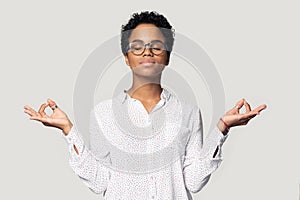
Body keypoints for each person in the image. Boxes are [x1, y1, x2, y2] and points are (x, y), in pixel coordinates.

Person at [24, 11, 267, 200]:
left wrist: (222, 128)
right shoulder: (103, 114)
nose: (147, 52)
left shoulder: (189, 114)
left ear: (167, 56)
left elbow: (193, 182)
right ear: (126, 58)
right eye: (137, 46)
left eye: (157, 46)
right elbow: (99, 182)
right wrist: (69, 131)